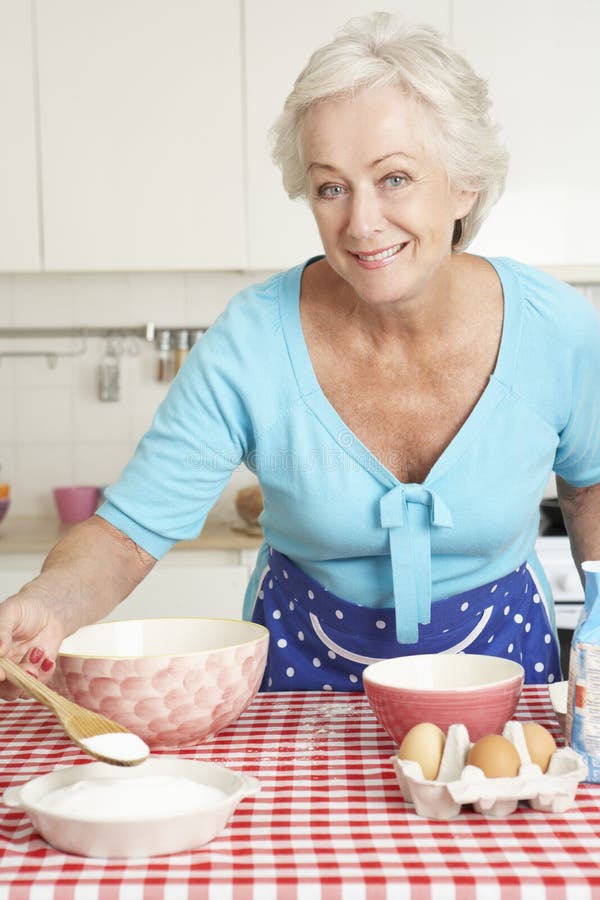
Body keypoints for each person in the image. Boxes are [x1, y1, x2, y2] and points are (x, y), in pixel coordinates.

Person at [2, 12, 600, 697]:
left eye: (395, 178)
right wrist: (48, 603)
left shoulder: (555, 329)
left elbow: (591, 484)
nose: (362, 222)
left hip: (506, 674)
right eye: (331, 187)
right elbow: (126, 535)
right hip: (298, 682)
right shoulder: (253, 340)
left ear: (464, 183)